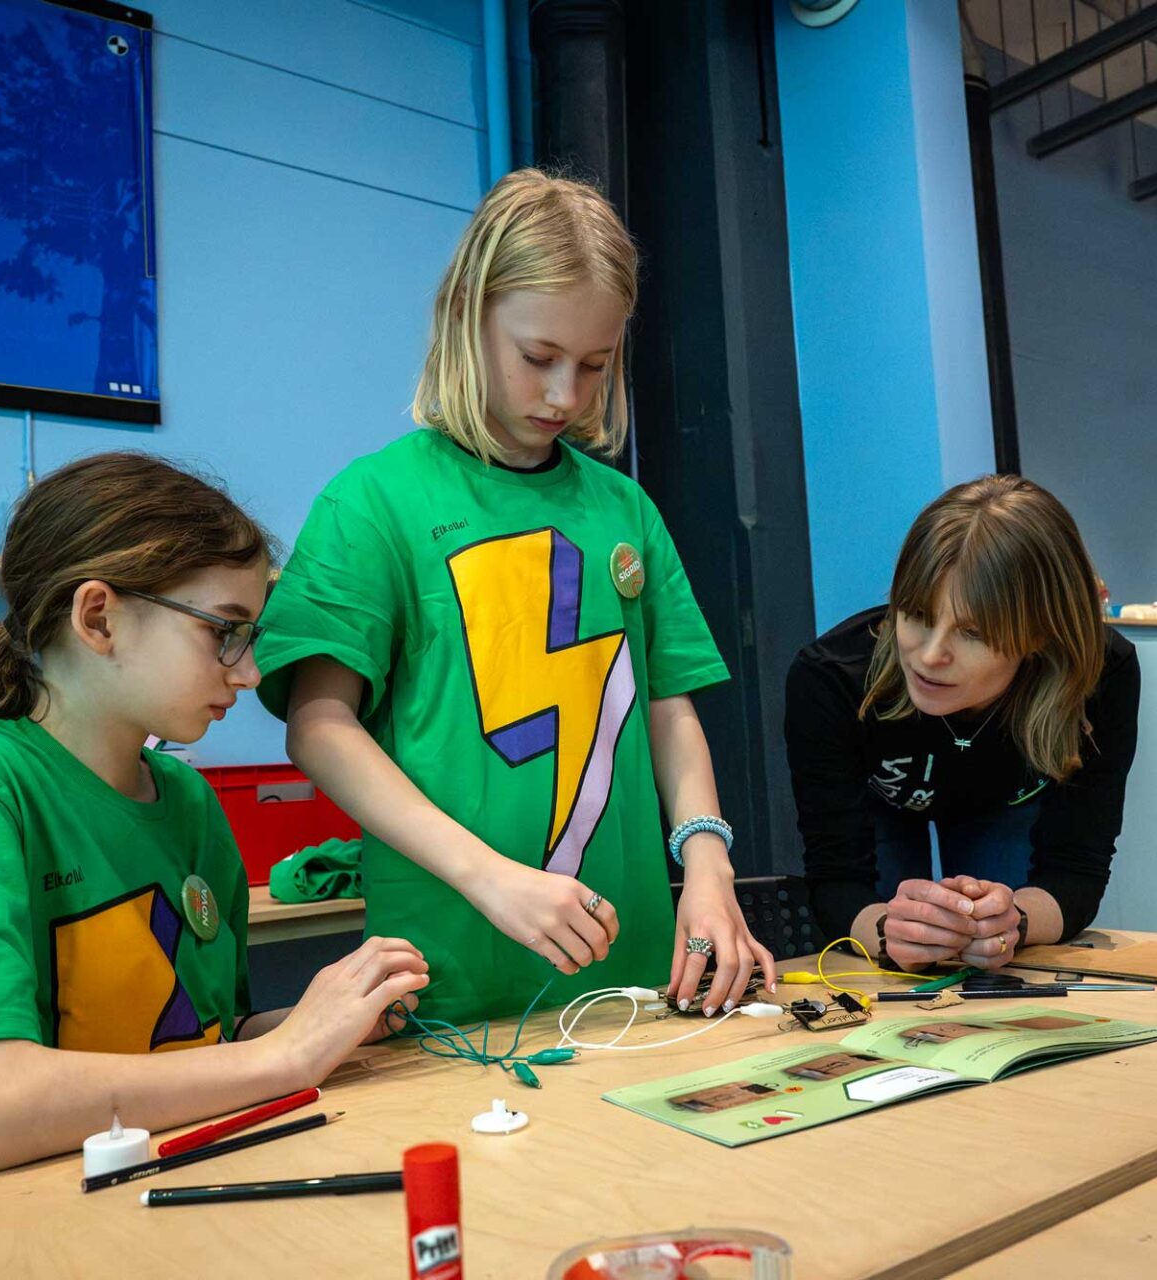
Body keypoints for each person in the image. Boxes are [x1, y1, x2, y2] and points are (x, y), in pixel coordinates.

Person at [257, 168, 774, 1024]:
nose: (565, 394)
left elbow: (667, 708)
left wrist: (707, 864)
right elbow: (319, 726)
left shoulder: (625, 511)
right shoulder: (371, 503)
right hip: (451, 985)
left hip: (633, 980)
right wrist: (489, 876)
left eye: (594, 365)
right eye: (538, 358)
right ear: (467, 315)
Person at [0, 452, 428, 1174]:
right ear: (98, 618)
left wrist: (324, 1024)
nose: (249, 672)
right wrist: (286, 1056)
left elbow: (202, 1039)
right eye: (223, 631)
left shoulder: (188, 801)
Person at [785, 475, 1140, 973]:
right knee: (898, 952)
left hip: (1005, 801)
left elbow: (1074, 871)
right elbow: (837, 880)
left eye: (972, 632)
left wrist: (1014, 921)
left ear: (1039, 634)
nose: (930, 656)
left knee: (1001, 953)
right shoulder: (829, 679)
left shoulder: (1101, 675)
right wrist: (889, 933)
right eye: (916, 613)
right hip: (884, 803)